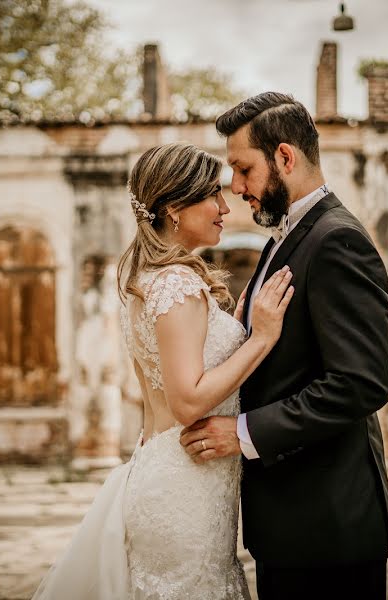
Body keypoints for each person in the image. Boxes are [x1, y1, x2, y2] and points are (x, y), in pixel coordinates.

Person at [32, 141, 293, 599]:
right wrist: (262, 339)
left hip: (172, 469)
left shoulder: (147, 278)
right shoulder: (175, 283)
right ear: (174, 208)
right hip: (185, 482)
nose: (223, 205)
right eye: (211, 195)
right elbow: (188, 400)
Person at [179, 92, 388, 599]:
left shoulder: (337, 240)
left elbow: (361, 382)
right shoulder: (286, 236)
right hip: (293, 522)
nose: (236, 188)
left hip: (327, 525)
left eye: (243, 169)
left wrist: (245, 433)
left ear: (284, 157)